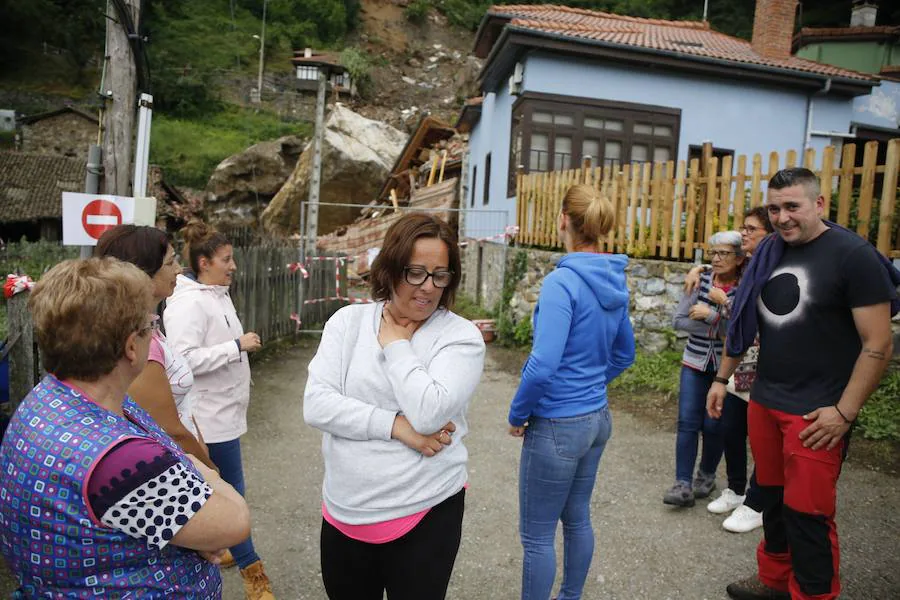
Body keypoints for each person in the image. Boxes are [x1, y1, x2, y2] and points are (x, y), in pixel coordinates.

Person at [0, 258, 250, 597]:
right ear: (132, 347)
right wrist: (197, 470)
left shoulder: (48, 398)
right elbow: (234, 522)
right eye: (151, 324)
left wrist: (188, 532)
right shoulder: (122, 461)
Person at [708, 168, 897, 600]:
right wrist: (722, 378)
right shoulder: (771, 251)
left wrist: (845, 412)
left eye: (792, 206)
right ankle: (774, 579)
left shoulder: (853, 256)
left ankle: (813, 594)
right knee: (770, 501)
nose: (782, 217)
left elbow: (878, 345)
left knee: (808, 513)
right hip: (765, 400)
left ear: (819, 204)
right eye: (774, 208)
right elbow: (744, 322)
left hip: (816, 413)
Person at [303, 213, 485, 600]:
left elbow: (430, 413)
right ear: (389, 268)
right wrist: (397, 426)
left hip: (425, 509)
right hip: (344, 510)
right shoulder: (347, 323)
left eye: (440, 275)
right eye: (415, 272)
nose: (427, 287)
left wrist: (396, 345)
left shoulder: (460, 337)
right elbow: (317, 405)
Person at [507, 184, 635, 600]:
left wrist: (518, 413)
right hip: (596, 419)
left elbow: (542, 365)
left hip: (559, 424)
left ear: (563, 220)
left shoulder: (562, 282)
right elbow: (624, 353)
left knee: (537, 537)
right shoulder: (614, 277)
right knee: (577, 518)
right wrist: (590, 385)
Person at [163, 221, 273, 600]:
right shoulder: (188, 303)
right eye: (226, 260)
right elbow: (184, 360)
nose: (234, 266)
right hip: (209, 421)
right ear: (204, 262)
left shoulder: (216, 293)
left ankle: (221, 549)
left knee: (216, 493)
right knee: (232, 498)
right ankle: (253, 573)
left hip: (226, 414)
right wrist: (236, 346)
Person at [94, 224, 216, 470]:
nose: (179, 270)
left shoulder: (149, 327)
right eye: (170, 263)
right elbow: (169, 429)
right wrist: (210, 470)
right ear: (143, 272)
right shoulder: (139, 345)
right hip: (174, 466)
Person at [683, 207, 772, 533]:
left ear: (769, 233)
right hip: (740, 363)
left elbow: (757, 316)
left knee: (763, 436)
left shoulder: (773, 266)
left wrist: (723, 303)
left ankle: (758, 501)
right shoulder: (751, 263)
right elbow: (722, 263)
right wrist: (700, 266)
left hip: (769, 366)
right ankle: (736, 490)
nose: (744, 233)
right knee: (731, 428)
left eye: (751, 229)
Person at [664, 230, 744, 507]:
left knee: (714, 425)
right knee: (687, 422)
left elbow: (740, 332)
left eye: (724, 253)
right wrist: (721, 322)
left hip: (725, 368)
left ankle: (706, 476)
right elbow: (679, 321)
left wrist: (710, 314)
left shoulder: (744, 285)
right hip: (694, 361)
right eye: (714, 253)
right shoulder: (699, 279)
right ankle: (682, 483)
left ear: (739, 257)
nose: (718, 258)